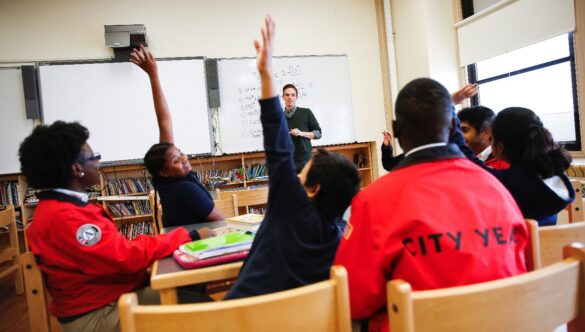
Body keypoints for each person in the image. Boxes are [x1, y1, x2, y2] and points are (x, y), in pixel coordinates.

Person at [334, 78, 528, 332]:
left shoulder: (372, 200)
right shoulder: (496, 187)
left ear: (397, 129)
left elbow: (354, 300)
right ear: (452, 126)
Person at [19, 121, 204, 332]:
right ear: (77, 169)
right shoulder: (66, 217)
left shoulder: (59, 207)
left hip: (105, 300)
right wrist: (189, 236)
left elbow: (115, 253)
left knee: (192, 292)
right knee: (203, 307)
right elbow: (125, 257)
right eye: (94, 157)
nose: (98, 162)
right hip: (98, 314)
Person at [225, 15, 360, 300]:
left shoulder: (289, 203)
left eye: (302, 174)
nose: (296, 175)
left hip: (243, 317)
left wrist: (265, 74)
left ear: (313, 189)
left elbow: (276, 143)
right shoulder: (338, 240)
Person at [130, 46, 223, 233]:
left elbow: (164, 121)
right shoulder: (184, 188)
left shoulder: (165, 181)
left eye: (180, 153)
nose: (183, 158)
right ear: (164, 171)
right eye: (176, 160)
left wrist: (153, 75)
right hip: (195, 248)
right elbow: (220, 221)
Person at [459, 107, 574, 226]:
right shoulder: (556, 179)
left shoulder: (504, 183)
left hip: (515, 244)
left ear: (500, 147)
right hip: (549, 244)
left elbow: (470, 159)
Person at [380, 84, 479, 171]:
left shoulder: (457, 158)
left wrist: (449, 102)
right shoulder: (415, 155)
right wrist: (387, 147)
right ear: (452, 127)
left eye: (465, 130)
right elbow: (389, 164)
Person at [282, 83, 322, 172]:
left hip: (305, 160)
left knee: (307, 185)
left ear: (296, 97)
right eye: (287, 95)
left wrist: (301, 133)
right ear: (283, 97)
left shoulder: (306, 112)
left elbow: (318, 134)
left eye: (293, 95)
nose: (290, 97)